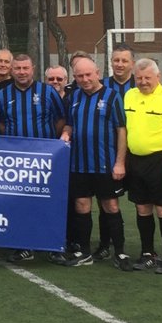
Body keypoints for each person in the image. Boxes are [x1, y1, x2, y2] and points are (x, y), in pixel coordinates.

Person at [60, 58, 131, 269]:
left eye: (88, 75)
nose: (84, 79)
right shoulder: (73, 97)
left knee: (110, 206)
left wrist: (119, 163)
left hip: (105, 164)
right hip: (79, 164)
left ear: (97, 73)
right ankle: (84, 251)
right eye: (79, 76)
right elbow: (70, 125)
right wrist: (65, 133)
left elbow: (121, 130)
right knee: (81, 205)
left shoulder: (112, 96)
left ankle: (120, 252)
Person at [0, 53, 65, 263]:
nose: (22, 72)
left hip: (45, 158)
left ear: (33, 69)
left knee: (48, 202)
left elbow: (60, 119)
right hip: (15, 161)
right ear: (12, 70)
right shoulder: (3, 94)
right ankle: (24, 245)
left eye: (26, 68)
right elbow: (0, 122)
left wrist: (48, 142)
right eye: (18, 68)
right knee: (19, 202)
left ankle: (52, 245)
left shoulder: (47, 92)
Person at [124, 58, 162, 274]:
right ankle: (147, 253)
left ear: (158, 77)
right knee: (142, 208)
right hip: (135, 161)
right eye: (139, 78)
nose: (143, 82)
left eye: (147, 78)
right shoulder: (129, 95)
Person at [92, 44, 136, 261]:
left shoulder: (142, 84)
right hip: (108, 154)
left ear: (132, 64)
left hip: (138, 154)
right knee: (105, 201)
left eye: (124, 60)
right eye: (116, 60)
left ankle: (147, 249)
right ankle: (104, 244)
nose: (119, 64)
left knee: (143, 202)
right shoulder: (102, 85)